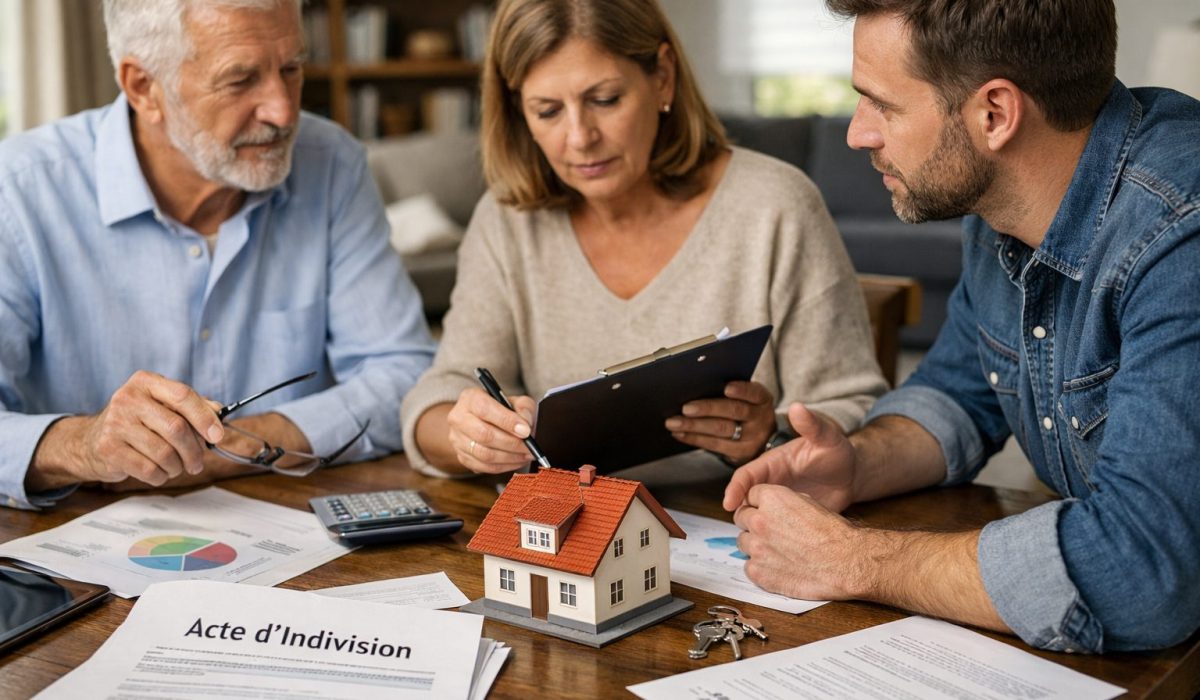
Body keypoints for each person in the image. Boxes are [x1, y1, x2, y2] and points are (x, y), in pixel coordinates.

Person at [725, 0, 1200, 653]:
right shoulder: (1001, 205)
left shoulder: (1179, 232)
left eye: (882, 105)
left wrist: (855, 561)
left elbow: (1141, 572)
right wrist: (859, 465)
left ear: (995, 114)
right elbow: (960, 392)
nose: (857, 133)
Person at [400, 0, 888, 478]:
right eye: (547, 111)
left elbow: (854, 408)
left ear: (663, 77)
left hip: (742, 527)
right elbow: (441, 396)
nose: (579, 137)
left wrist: (770, 435)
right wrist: (466, 434)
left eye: (605, 100)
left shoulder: (775, 206)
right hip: (567, 528)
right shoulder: (507, 220)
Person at [0, 0, 435, 510]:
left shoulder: (332, 162)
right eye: (239, 79)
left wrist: (228, 448)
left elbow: (403, 375)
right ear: (143, 87)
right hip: (72, 547)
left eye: (291, 68)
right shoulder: (20, 191)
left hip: (294, 537)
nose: (283, 111)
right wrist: (85, 445)